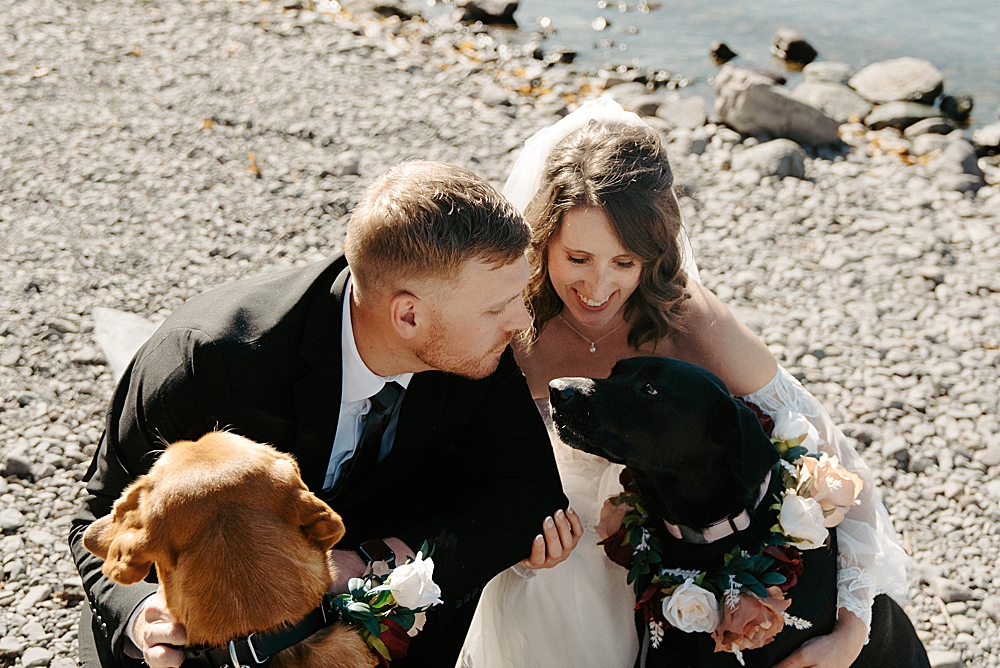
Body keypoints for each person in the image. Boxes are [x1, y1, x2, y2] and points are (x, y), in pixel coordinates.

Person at [69, 160, 582, 668]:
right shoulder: (210, 358)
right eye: (497, 308)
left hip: (383, 634)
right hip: (204, 640)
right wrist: (141, 617)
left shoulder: (475, 353)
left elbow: (529, 494)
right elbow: (95, 518)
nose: (521, 322)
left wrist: (377, 559)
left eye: (519, 296)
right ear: (408, 315)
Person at [459, 100, 910, 668]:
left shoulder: (689, 321)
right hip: (547, 571)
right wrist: (514, 545)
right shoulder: (508, 324)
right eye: (578, 257)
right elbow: (456, 458)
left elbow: (830, 461)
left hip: (677, 574)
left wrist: (852, 625)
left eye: (625, 263)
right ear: (543, 239)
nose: (597, 287)